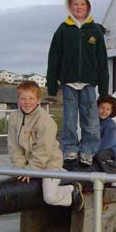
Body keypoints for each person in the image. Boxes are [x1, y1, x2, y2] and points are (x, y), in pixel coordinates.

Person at [46, 0, 109, 166]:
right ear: (70, 7)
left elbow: (102, 61)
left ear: (88, 7)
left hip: (89, 84)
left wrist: (103, 90)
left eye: (82, 4)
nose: (79, 7)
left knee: (90, 121)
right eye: (75, 4)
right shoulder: (63, 29)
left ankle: (88, 150)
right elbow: (54, 56)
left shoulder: (95, 30)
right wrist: (52, 83)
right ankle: (70, 149)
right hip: (68, 84)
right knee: (69, 120)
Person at [7, 81, 84, 212]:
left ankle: (71, 190)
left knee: (50, 197)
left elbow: (44, 150)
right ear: (18, 100)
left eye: (31, 98)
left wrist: (30, 169)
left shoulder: (45, 120)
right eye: (23, 98)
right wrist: (20, 168)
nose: (27, 102)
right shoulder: (14, 117)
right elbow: (13, 146)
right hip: (28, 162)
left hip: (49, 162)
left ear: (38, 100)